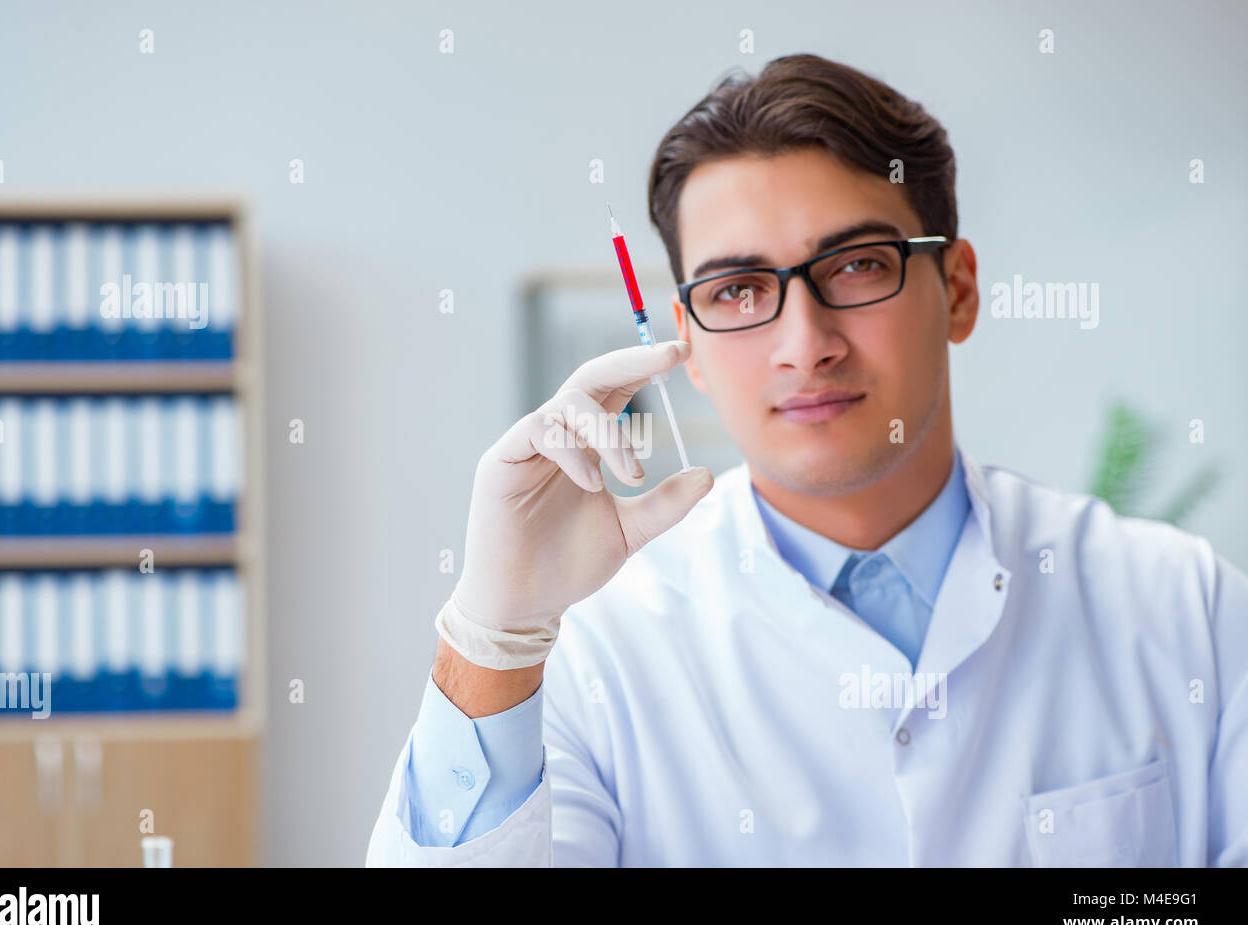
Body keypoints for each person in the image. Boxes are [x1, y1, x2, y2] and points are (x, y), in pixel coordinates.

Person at [366, 53, 1247, 866]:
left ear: (959, 291)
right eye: (739, 290)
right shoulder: (600, 650)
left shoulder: (1183, 604)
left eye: (859, 266)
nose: (806, 343)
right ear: (691, 347)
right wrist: (491, 640)